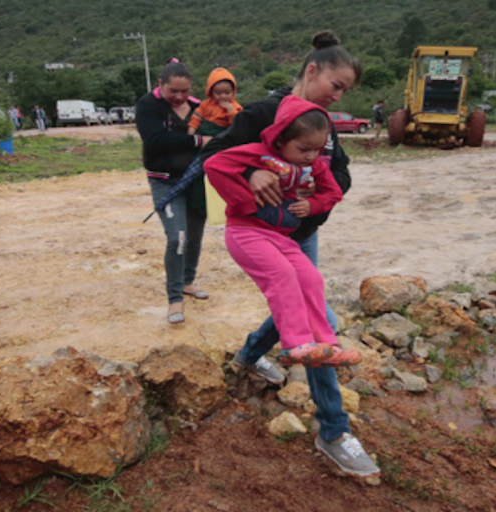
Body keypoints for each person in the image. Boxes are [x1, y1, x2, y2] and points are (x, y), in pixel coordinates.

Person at [200, 31, 380, 478]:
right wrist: (254, 173)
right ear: (312, 70)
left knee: (303, 300)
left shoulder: (323, 124)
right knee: (322, 324)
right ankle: (334, 431)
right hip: (259, 231)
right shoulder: (263, 112)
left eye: (346, 92)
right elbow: (220, 154)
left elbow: (338, 174)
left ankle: (249, 355)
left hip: (301, 233)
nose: (338, 96)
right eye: (336, 86)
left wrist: (318, 196)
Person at [205, 95, 361, 367]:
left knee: (311, 278)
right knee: (283, 275)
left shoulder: (313, 165)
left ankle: (326, 345)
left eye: (317, 149)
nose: (311, 156)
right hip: (246, 232)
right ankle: (295, 343)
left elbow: (333, 191)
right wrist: (247, 183)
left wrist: (313, 204)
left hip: (280, 237)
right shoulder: (257, 153)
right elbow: (214, 164)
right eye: (303, 149)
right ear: (280, 139)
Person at [136, 59, 212, 324]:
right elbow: (155, 141)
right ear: (160, 85)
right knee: (176, 237)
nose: (179, 97)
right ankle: (174, 299)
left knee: (194, 236)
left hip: (197, 181)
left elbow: (222, 131)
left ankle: (187, 281)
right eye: (173, 91)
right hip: (165, 181)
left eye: (184, 91)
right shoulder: (148, 105)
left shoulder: (198, 107)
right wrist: (198, 141)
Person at [188, 67, 243, 137]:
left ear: (233, 92)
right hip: (202, 134)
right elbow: (196, 118)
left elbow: (238, 126)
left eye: (227, 93)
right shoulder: (205, 104)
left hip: (221, 137)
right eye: (218, 93)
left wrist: (231, 111)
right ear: (211, 93)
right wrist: (190, 135)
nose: (223, 96)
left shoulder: (236, 107)